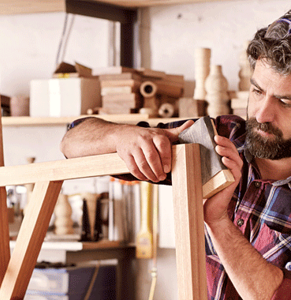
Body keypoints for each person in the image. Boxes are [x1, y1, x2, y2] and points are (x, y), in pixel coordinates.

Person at [60, 10, 291, 300]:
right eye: (257, 91)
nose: (261, 113)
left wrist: (218, 221)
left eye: (285, 102)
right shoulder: (220, 138)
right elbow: (72, 141)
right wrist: (124, 137)